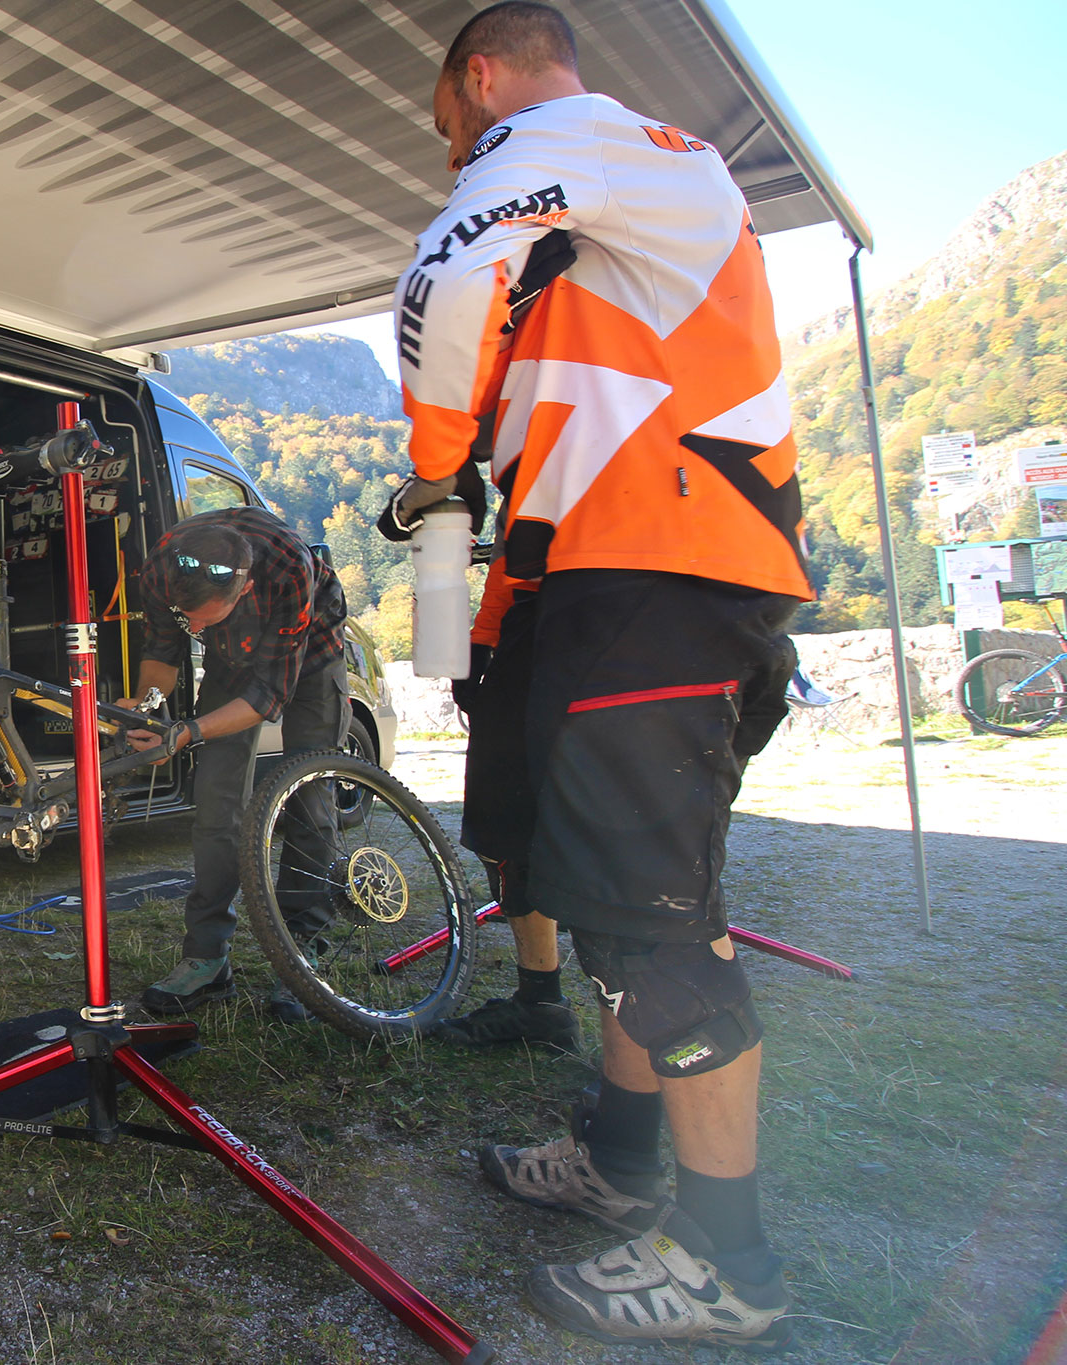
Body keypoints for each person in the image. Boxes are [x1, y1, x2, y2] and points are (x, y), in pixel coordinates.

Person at [379, 2, 810, 1349]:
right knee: (602, 902)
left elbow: (442, 275)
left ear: (484, 78)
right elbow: (549, 424)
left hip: (666, 580)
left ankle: (733, 1265)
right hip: (593, 588)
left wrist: (438, 450)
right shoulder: (588, 241)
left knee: (658, 932)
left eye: (449, 125)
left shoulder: (598, 144)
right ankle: (624, 1163)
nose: (454, 155)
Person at [124, 506, 350, 1025]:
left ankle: (301, 950)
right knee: (215, 801)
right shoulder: (162, 565)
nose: (193, 628)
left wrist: (192, 730)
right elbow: (162, 648)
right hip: (232, 659)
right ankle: (207, 957)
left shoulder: (289, 570)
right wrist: (147, 708)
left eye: (204, 618)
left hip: (310, 651)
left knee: (308, 796)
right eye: (189, 618)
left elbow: (269, 696)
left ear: (242, 592)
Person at [431, 554, 583, 1053]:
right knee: (502, 823)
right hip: (526, 627)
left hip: (599, 615)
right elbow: (507, 569)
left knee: (598, 822)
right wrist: (478, 648)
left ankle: (642, 1032)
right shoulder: (520, 485)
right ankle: (541, 997)